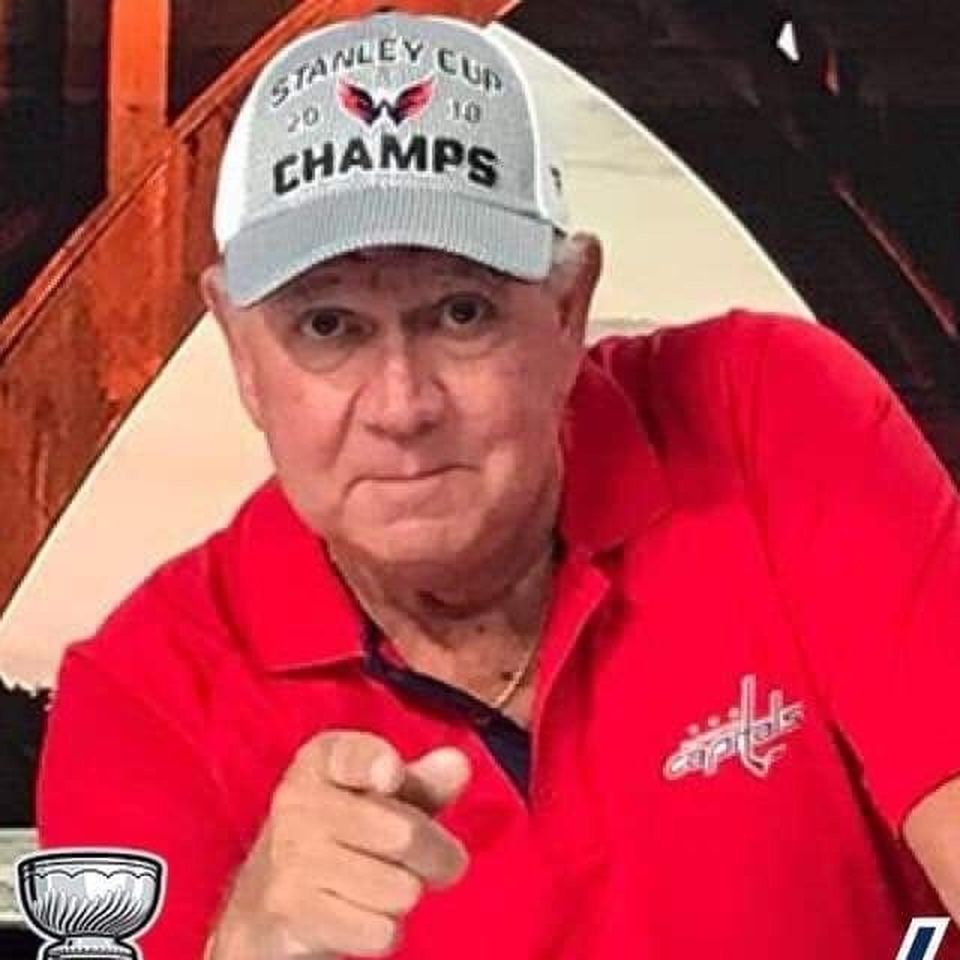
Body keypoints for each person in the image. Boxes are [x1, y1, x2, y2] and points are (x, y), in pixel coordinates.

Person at [35, 9, 960, 960]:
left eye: (461, 312)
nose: (402, 405)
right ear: (240, 349)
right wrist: (250, 944)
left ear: (568, 309)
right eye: (328, 326)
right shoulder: (139, 706)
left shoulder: (766, 413)